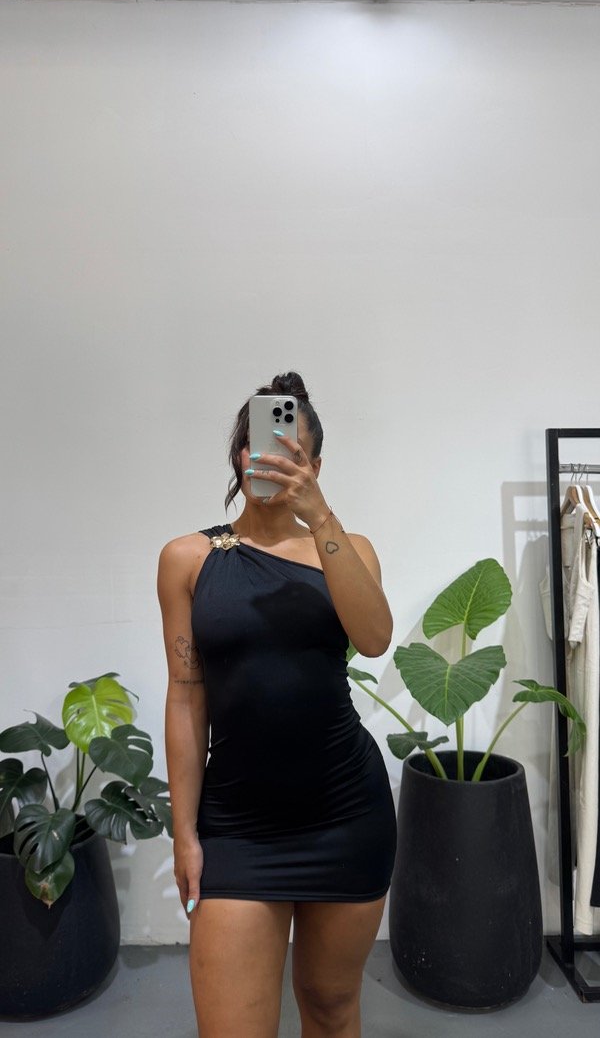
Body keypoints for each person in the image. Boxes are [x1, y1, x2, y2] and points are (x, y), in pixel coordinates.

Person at [158, 371, 397, 1038]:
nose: (274, 460)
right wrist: (185, 833)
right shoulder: (188, 559)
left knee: (330, 1007)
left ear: (315, 466)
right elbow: (185, 696)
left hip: (346, 813)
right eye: (261, 446)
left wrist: (320, 517)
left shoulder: (346, 550)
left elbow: (374, 639)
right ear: (241, 455)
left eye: (295, 453)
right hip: (238, 823)